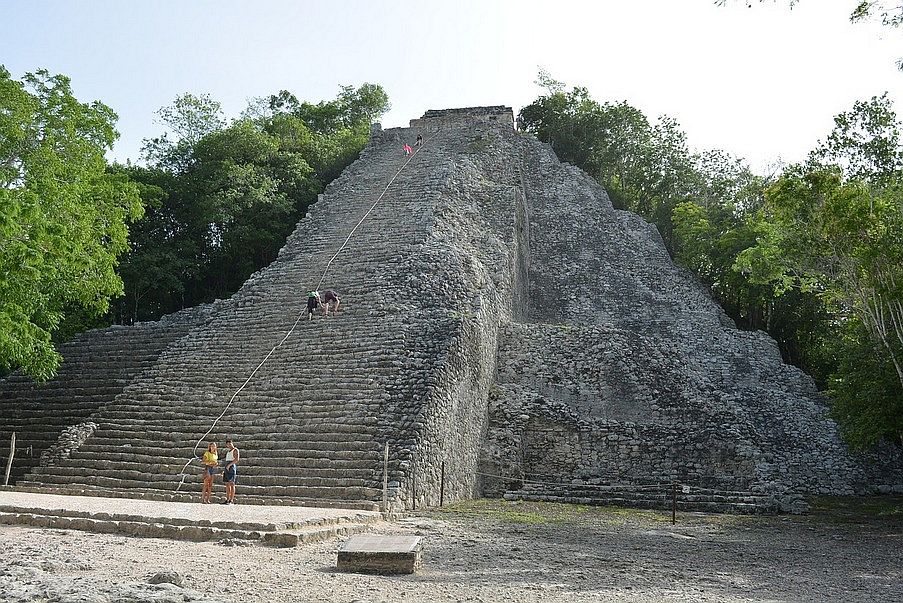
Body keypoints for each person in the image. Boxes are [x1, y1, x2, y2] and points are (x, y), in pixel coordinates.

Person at [221, 438, 239, 505]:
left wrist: (229, 465)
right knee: (227, 484)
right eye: (227, 444)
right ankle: (227, 499)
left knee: (232, 483)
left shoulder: (235, 450)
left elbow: (236, 459)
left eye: (230, 443)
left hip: (231, 467)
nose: (229, 445)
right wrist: (225, 469)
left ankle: (231, 500)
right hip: (227, 466)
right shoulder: (228, 452)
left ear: (232, 443)